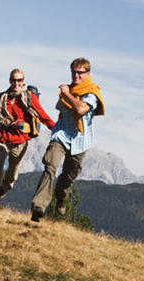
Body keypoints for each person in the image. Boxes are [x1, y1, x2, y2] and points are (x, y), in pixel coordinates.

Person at [0, 69, 54, 214]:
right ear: (10, 81)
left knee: (11, 177)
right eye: (14, 80)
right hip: (2, 139)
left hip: (20, 142)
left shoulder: (29, 98)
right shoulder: (3, 98)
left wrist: (57, 130)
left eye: (19, 80)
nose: (16, 83)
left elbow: (43, 116)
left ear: (23, 81)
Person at [30, 57, 104, 222]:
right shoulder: (68, 89)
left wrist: (67, 94)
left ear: (88, 74)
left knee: (68, 176)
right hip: (62, 134)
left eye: (80, 73)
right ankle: (39, 206)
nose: (76, 76)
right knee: (50, 165)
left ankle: (61, 198)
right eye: (74, 72)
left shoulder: (92, 93)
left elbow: (80, 109)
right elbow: (62, 111)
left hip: (80, 139)